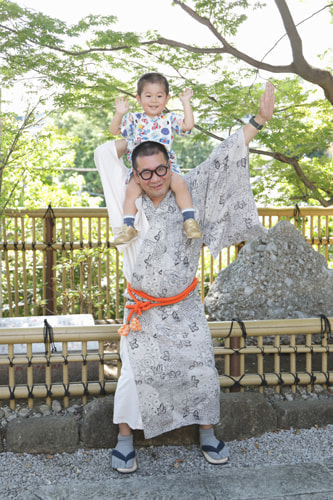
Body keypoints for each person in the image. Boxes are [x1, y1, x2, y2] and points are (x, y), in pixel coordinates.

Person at [94, 81, 275, 473]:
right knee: (132, 378)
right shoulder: (126, 201)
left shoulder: (187, 190)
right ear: (135, 175)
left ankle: (207, 432)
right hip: (142, 309)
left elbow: (224, 157)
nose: (155, 178)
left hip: (186, 305)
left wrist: (259, 120)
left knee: (201, 367)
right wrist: (138, 131)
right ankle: (125, 439)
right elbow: (103, 151)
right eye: (145, 173)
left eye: (161, 169)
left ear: (170, 166)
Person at [109, 72, 202, 245]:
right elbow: (115, 131)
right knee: (131, 191)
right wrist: (119, 113)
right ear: (138, 98)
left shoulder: (169, 118)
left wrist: (186, 103)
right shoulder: (133, 118)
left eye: (159, 96)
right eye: (148, 96)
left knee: (180, 184)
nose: (153, 100)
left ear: (167, 99)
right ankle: (128, 226)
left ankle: (189, 220)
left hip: (165, 166)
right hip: (140, 167)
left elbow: (188, 125)